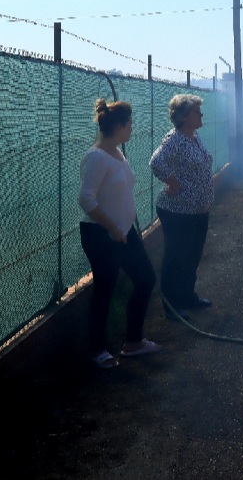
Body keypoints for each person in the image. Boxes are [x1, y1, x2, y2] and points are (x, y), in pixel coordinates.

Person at [78, 98, 160, 368]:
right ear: (121, 126)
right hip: (101, 235)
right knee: (105, 288)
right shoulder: (96, 157)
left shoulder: (117, 152)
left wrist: (122, 226)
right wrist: (112, 228)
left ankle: (133, 342)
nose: (132, 129)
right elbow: (86, 200)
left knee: (145, 278)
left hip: (123, 232)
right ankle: (97, 350)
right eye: (130, 124)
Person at [150, 93, 229, 320]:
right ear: (184, 116)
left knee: (192, 256)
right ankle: (172, 307)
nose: (201, 114)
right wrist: (172, 181)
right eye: (197, 111)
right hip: (177, 211)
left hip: (197, 211)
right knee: (176, 257)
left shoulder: (194, 136)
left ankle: (187, 297)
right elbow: (156, 162)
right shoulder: (175, 139)